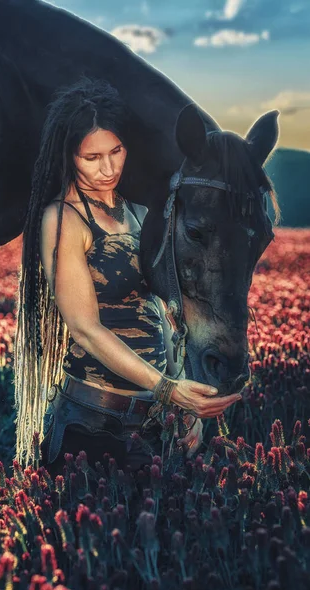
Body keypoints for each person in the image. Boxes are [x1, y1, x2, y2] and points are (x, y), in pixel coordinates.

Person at [13, 75, 242, 475]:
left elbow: (162, 314)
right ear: (68, 156)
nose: (108, 168)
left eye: (115, 151)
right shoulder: (64, 219)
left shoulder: (137, 212)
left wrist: (180, 402)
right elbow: (84, 328)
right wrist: (169, 391)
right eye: (92, 157)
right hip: (92, 422)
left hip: (152, 422)